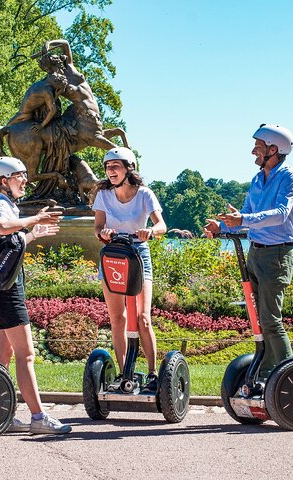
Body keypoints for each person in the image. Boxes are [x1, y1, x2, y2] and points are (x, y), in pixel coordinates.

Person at [0, 156, 71, 435]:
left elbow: (9, 239)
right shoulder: (1, 204)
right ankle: (38, 417)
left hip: (0, 288)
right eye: (20, 176)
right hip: (7, 292)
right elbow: (5, 226)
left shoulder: (5, 204)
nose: (25, 181)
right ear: (3, 181)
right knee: (26, 354)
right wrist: (34, 218)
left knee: (3, 355)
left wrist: (33, 233)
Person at [204, 124, 293, 380]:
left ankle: (287, 376)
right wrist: (221, 226)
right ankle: (267, 372)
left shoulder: (289, 177)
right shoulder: (258, 179)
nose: (252, 152)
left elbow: (281, 214)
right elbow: (244, 217)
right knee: (259, 320)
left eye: (257, 147)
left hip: (277, 255)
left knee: (271, 320)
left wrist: (243, 219)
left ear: (273, 149)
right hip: (255, 254)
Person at [93, 147, 167, 391]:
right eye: (107, 167)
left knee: (143, 318)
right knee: (117, 318)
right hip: (113, 254)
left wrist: (150, 232)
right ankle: (126, 373)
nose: (110, 171)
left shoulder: (144, 194)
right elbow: (97, 228)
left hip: (138, 254)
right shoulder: (104, 194)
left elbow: (162, 226)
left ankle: (153, 373)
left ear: (129, 168)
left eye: (115, 166)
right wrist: (102, 233)